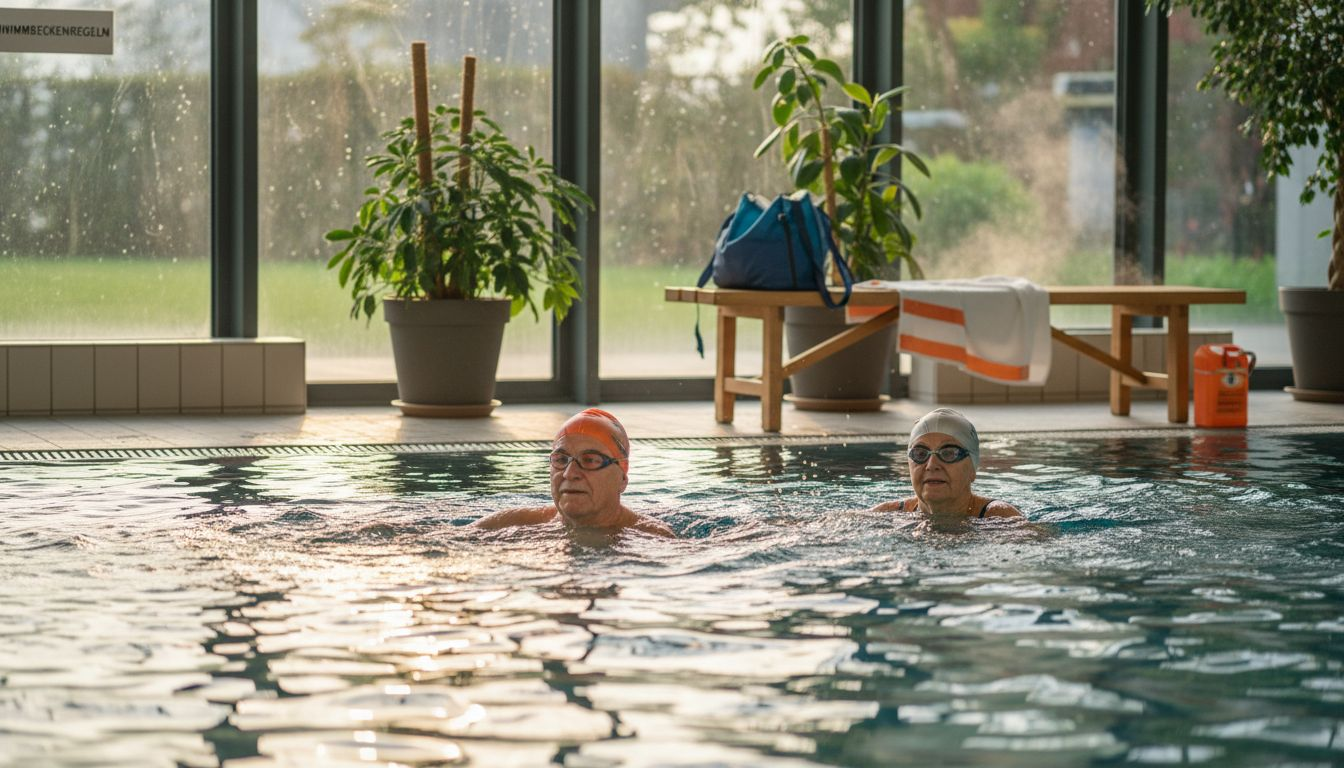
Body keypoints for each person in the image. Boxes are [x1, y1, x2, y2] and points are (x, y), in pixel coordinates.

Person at [473, 408, 675, 537]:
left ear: (622, 478)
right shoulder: (510, 524)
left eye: (590, 460)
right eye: (561, 460)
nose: (570, 473)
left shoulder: (652, 537)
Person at [869, 408, 1022, 519]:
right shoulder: (887, 514)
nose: (931, 465)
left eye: (948, 453)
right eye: (921, 454)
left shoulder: (1000, 518)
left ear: (972, 469)